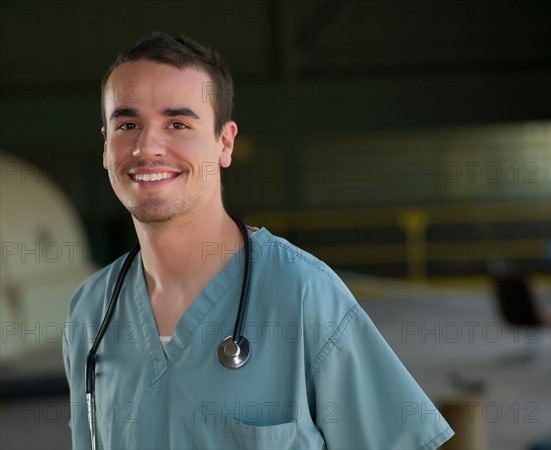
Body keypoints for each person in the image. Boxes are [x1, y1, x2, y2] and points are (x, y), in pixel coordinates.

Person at [63, 31, 454, 449]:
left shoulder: (304, 295)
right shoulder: (91, 313)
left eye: (177, 123)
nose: (146, 147)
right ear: (106, 146)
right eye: (127, 124)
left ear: (224, 142)